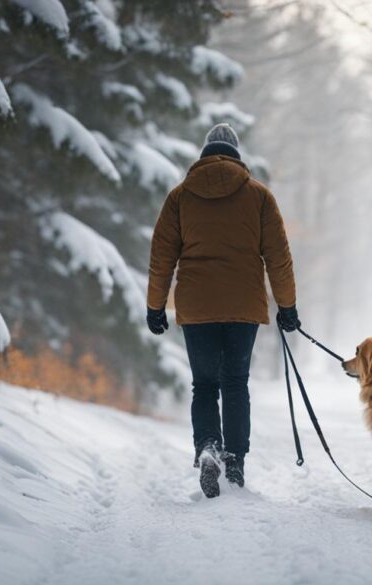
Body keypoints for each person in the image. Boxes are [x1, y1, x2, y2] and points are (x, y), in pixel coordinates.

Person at [146, 123, 300, 499]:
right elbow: (278, 258)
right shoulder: (259, 196)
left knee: (204, 385)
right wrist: (288, 306)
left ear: (204, 152)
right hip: (243, 308)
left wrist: (155, 306)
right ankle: (235, 462)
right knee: (235, 383)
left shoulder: (180, 197)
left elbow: (161, 258)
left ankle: (208, 448)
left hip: (197, 308)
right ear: (236, 154)